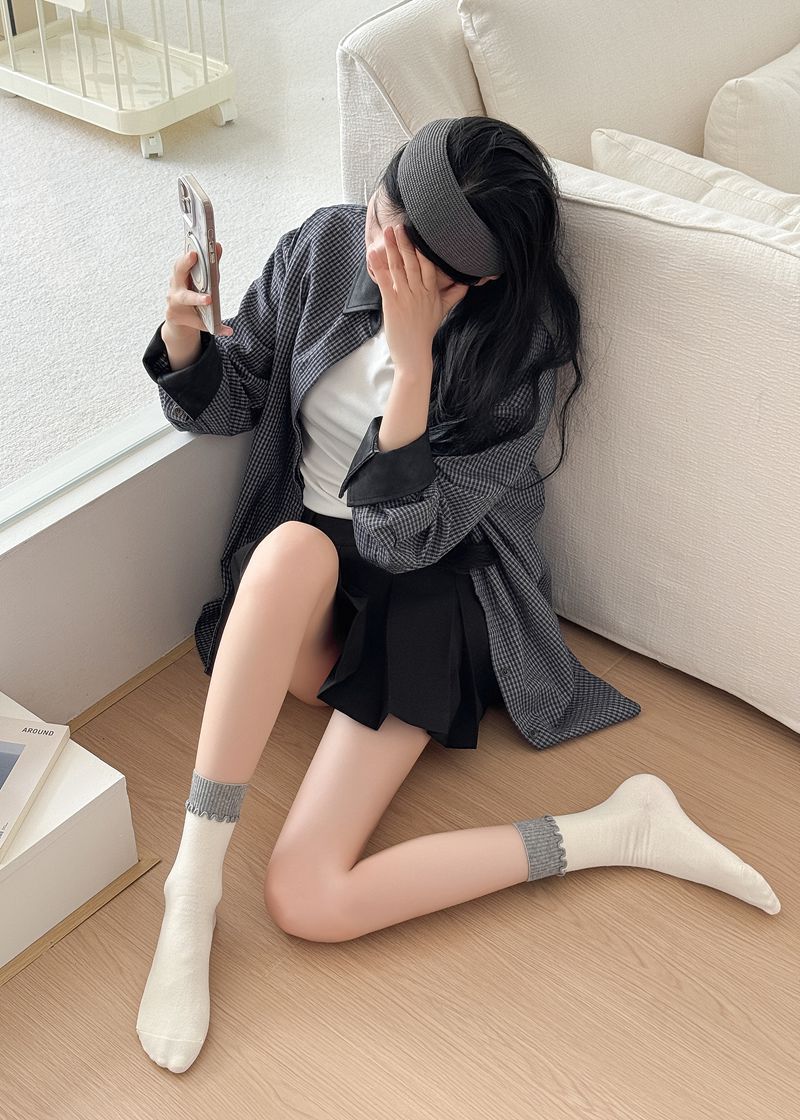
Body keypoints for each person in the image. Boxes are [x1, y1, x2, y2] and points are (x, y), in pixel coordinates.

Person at [136, 116, 781, 1075]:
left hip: (433, 594)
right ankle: (192, 888)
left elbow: (405, 542)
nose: (375, 249)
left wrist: (413, 366)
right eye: (381, 214)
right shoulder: (325, 244)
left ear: (468, 284)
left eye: (405, 259)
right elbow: (236, 403)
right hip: (312, 579)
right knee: (288, 553)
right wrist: (186, 339)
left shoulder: (517, 356)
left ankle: (618, 828)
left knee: (309, 900)